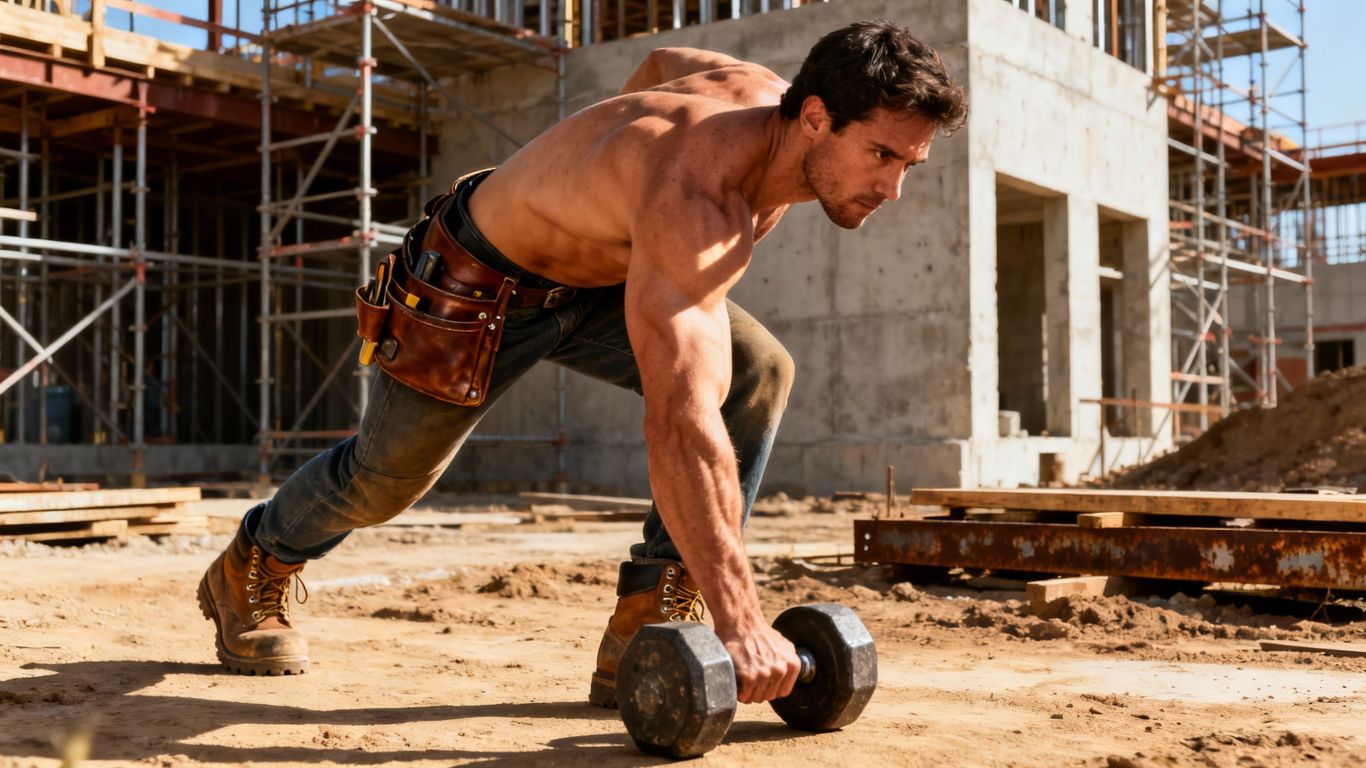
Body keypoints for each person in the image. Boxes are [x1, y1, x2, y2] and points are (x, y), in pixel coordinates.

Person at [197, 18, 966, 707]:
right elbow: (679, 422)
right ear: (815, 118)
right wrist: (741, 619)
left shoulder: (764, 101)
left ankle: (652, 613)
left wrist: (597, 173)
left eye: (909, 164)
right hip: (480, 280)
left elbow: (662, 60)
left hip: (596, 282)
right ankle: (254, 562)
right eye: (881, 155)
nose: (893, 187)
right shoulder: (698, 204)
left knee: (759, 370)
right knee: (384, 479)